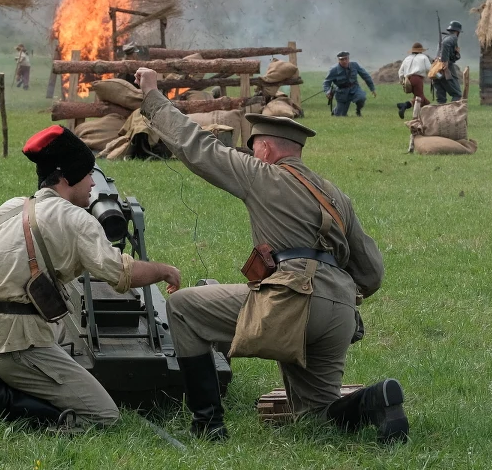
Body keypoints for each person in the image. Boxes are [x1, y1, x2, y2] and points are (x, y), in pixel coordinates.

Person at [133, 67, 407, 443]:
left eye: (253, 146)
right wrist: (328, 293)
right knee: (318, 414)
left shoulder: (262, 174)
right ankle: (375, 401)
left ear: (266, 148)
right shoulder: (335, 195)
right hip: (341, 311)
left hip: (291, 302)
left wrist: (152, 95)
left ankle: (208, 427)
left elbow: (196, 146)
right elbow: (372, 273)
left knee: (182, 307)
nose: (250, 152)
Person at [0, 125, 181, 430]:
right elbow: (120, 273)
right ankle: (2, 397)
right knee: (104, 415)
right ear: (66, 176)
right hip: (11, 347)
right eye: (87, 175)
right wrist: (164, 270)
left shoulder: (11, 207)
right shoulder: (75, 219)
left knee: (58, 333)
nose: (91, 185)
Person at [322, 52, 377, 117]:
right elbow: (326, 82)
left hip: (354, 88)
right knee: (341, 115)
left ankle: (358, 111)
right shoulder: (333, 70)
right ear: (338, 60)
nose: (345, 61)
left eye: (346, 59)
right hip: (341, 92)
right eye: (342, 59)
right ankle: (336, 111)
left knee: (361, 97)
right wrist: (328, 92)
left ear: (348, 59)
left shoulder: (355, 65)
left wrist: (372, 89)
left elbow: (365, 76)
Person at [396, 42, 432, 119]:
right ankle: (406, 107)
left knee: (423, 100)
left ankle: (430, 114)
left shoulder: (407, 58)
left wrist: (402, 81)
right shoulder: (423, 57)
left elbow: (400, 72)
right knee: (420, 98)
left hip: (408, 80)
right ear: (420, 50)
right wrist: (438, 76)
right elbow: (430, 69)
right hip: (417, 79)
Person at [432, 20, 463, 103]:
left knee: (441, 98)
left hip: (436, 70)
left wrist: (456, 54)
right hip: (445, 69)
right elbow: (446, 44)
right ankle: (453, 114)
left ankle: (441, 115)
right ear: (457, 31)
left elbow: (450, 55)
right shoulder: (452, 38)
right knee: (457, 94)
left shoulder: (444, 38)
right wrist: (445, 62)